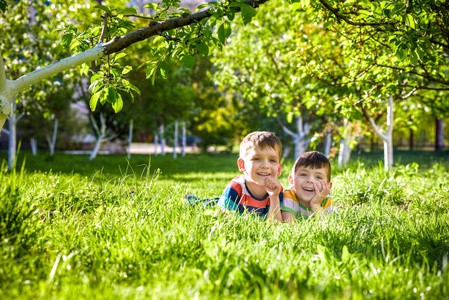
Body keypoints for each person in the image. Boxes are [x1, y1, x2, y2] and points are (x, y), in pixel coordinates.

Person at [217, 131, 283, 222]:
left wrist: (274, 197)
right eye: (256, 159)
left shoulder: (277, 190)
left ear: (279, 169)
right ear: (242, 165)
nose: (265, 165)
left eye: (272, 160)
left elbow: (275, 225)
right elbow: (222, 220)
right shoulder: (236, 188)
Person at [281, 151, 336, 222]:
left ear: (328, 187)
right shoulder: (290, 195)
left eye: (318, 177)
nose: (310, 180)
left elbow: (331, 227)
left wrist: (316, 205)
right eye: (303, 174)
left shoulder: (327, 201)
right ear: (292, 181)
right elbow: (289, 224)